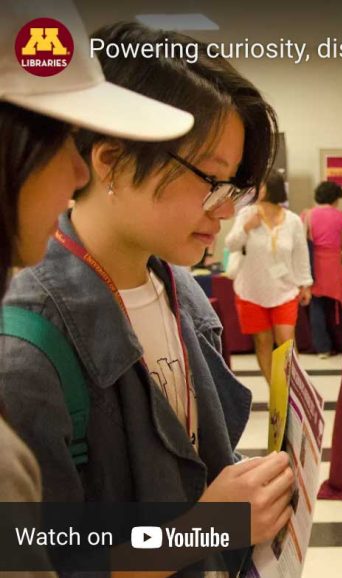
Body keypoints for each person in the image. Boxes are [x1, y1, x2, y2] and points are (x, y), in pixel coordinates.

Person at [0, 20, 293, 571]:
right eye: (210, 180)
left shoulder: (181, 287)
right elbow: (41, 557)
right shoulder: (28, 349)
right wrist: (209, 528)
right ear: (109, 160)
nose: (225, 209)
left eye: (234, 188)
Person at [0, 0, 191, 530]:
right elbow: (68, 559)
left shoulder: (180, 292)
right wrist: (221, 522)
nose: (76, 171)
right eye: (61, 138)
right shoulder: (26, 349)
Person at [226, 172, 312, 382]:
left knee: (286, 340)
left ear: (272, 188)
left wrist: (306, 284)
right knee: (262, 342)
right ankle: (275, 392)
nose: (256, 190)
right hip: (251, 290)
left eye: (261, 186)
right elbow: (231, 244)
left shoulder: (292, 221)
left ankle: (293, 390)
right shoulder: (247, 214)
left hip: (285, 290)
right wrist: (247, 227)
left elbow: (301, 254)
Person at [304, 180, 342, 358]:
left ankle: (322, 348)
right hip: (333, 264)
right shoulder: (340, 216)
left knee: (316, 305)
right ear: (335, 198)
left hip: (313, 264)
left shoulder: (307, 215)